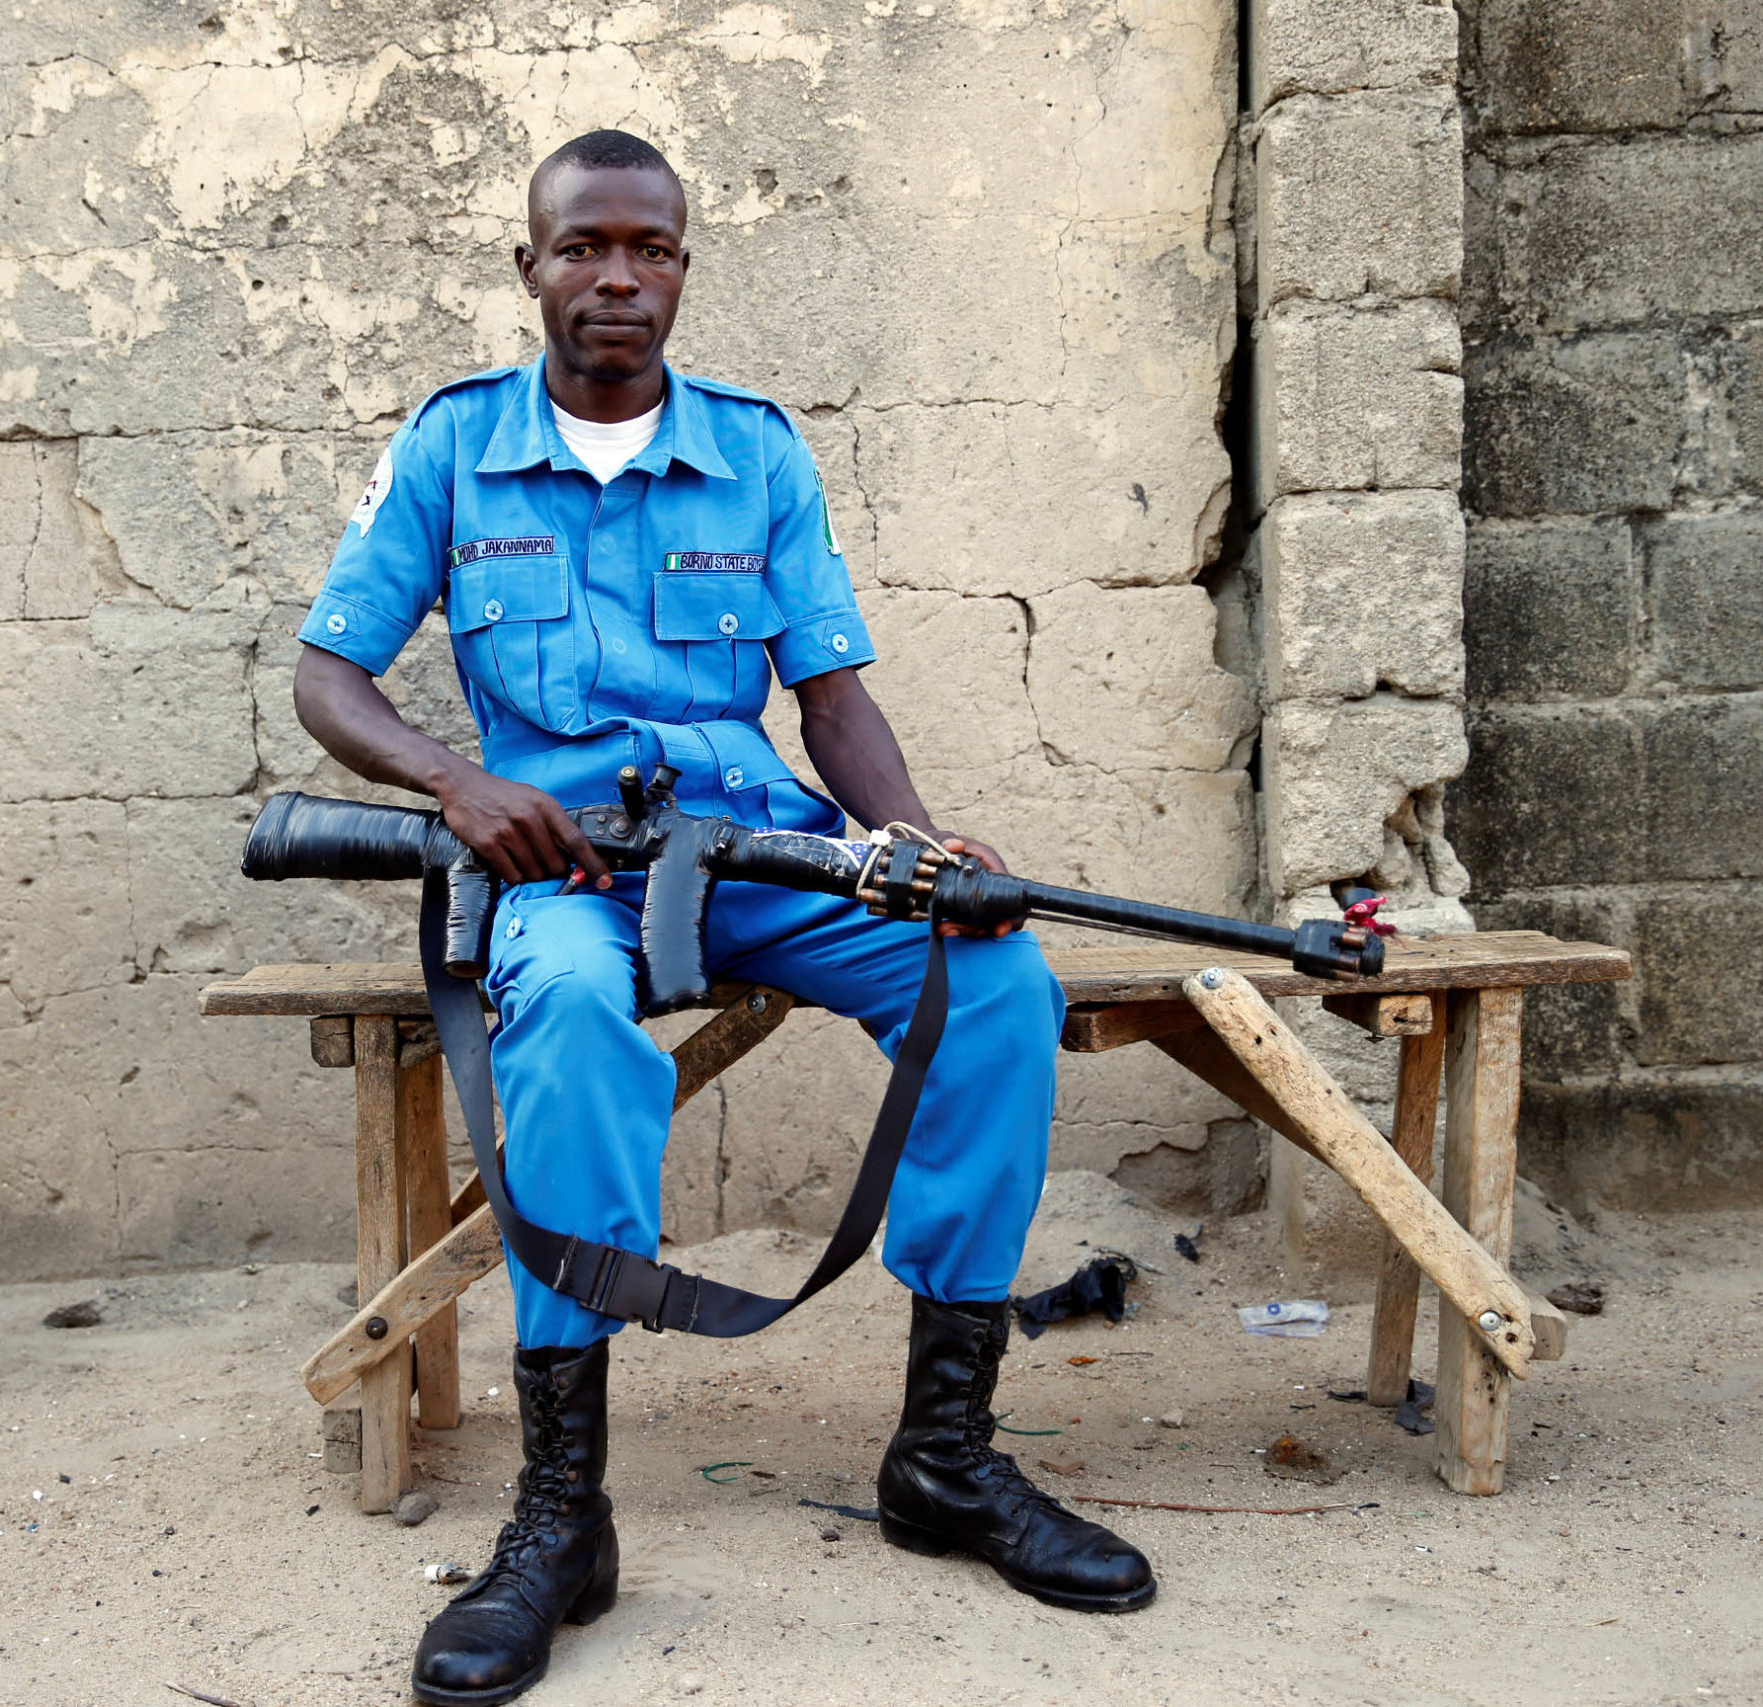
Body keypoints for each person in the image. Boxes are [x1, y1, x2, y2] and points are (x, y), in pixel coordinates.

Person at [291, 128, 1155, 1707]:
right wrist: (456, 786)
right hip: (565, 874)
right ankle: (564, 1519)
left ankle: (946, 1460)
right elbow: (328, 676)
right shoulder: (453, 448)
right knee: (556, 1022)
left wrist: (909, 840)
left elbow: (831, 696)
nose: (617, 277)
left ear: (682, 265)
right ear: (531, 266)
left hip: (759, 855)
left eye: (651, 249)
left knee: (997, 980)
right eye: (582, 248)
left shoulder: (756, 454)